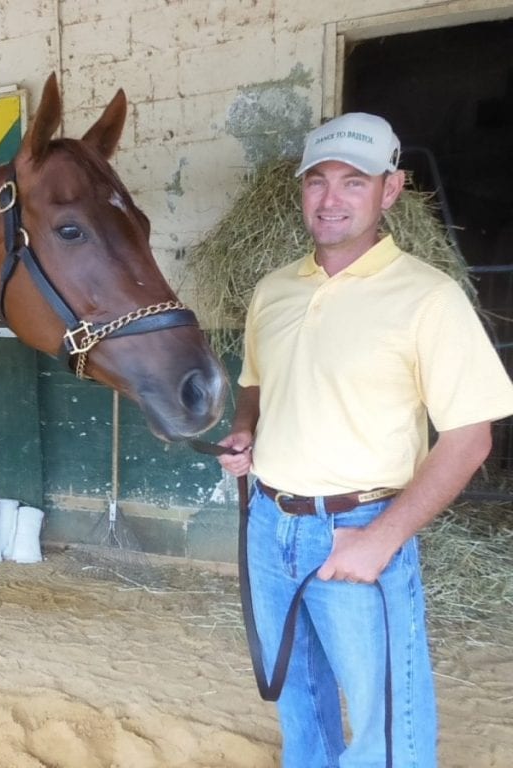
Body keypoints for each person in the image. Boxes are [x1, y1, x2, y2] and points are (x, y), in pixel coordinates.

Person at [217, 112, 513, 767]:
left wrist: (383, 539)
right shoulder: (273, 292)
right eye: (317, 181)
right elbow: (256, 384)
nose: (331, 199)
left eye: (354, 182)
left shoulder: (428, 298)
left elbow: (470, 439)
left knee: (386, 728)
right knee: (299, 703)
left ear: (390, 191)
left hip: (360, 526)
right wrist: (245, 429)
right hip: (269, 524)